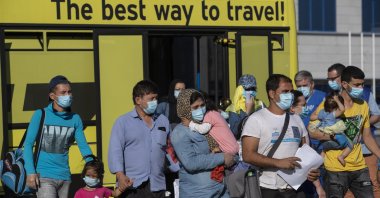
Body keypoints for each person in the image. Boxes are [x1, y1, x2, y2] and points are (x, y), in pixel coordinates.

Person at [242, 74, 320, 197]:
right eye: (285, 91)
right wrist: (278, 162)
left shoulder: (297, 119)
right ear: (272, 94)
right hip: (269, 188)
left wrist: (312, 172)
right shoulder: (256, 119)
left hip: (297, 189)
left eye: (291, 91)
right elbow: (247, 155)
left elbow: (306, 152)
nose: (290, 95)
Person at [308, 66, 380, 197]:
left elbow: (367, 136)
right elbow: (312, 131)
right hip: (335, 169)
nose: (361, 88)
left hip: (359, 167)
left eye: (362, 84)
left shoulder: (363, 105)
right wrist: (332, 136)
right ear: (344, 84)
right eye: (357, 85)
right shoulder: (329, 103)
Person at [24, 75, 93, 198]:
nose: (68, 95)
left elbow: (83, 146)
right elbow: (28, 145)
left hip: (65, 177)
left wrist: (93, 165)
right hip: (44, 176)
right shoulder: (40, 115)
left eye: (69, 92)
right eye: (63, 92)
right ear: (52, 96)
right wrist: (30, 172)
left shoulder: (75, 118)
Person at [170, 89, 238, 197]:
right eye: (195, 107)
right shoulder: (180, 132)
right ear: (185, 109)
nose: (200, 110)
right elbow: (191, 162)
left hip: (221, 189)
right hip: (198, 193)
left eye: (202, 105)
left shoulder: (207, 125)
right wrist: (222, 158)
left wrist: (232, 157)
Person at [108, 80, 170, 198]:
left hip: (158, 185)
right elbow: (115, 151)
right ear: (138, 100)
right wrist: (120, 175)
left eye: (156, 98)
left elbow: (169, 149)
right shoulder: (123, 122)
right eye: (151, 99)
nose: (155, 102)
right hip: (133, 186)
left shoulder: (163, 120)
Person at [290, 90, 325, 198]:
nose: (306, 108)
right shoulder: (298, 127)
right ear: (292, 108)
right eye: (303, 105)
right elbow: (306, 159)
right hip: (302, 181)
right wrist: (318, 186)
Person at [309, 92, 351, 166]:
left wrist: (318, 109)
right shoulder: (333, 114)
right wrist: (337, 100)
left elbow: (311, 117)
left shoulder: (322, 112)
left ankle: (320, 161)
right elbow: (342, 109)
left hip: (324, 139)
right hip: (337, 139)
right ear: (336, 107)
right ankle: (342, 156)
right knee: (350, 145)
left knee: (324, 150)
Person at [294, 70, 326, 148]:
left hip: (319, 143)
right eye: (299, 86)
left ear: (312, 84)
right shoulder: (294, 98)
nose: (301, 88)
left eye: (304, 85)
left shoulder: (322, 97)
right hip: (301, 141)